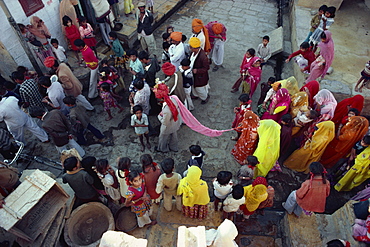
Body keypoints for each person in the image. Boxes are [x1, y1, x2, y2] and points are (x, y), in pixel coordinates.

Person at [154, 83, 182, 153]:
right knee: (174, 135)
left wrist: (159, 116)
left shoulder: (166, 110)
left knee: (163, 137)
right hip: (176, 122)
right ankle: (174, 147)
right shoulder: (174, 98)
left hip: (168, 126)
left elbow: (165, 122)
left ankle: (163, 149)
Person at [189, 37, 210, 104]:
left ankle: (205, 98)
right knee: (194, 87)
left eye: (191, 47)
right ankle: (196, 95)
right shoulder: (192, 53)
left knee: (200, 89)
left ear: (195, 48)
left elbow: (206, 68)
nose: (189, 48)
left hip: (200, 77)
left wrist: (197, 71)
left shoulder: (203, 57)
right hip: (193, 75)